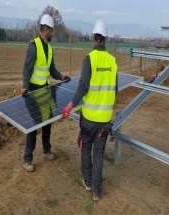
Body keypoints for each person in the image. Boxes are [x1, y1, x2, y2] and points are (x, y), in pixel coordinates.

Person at [61, 19, 118, 201]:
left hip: (88, 119)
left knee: (86, 149)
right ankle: (96, 191)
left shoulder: (89, 59)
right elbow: (114, 90)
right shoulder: (112, 61)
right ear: (106, 39)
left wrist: (70, 106)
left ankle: (87, 182)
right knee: (99, 155)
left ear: (94, 37)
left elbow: (83, 87)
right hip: (104, 120)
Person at [21, 14, 70, 172]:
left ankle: (46, 149)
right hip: (34, 90)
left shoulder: (49, 48)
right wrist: (24, 86)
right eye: (51, 30)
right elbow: (27, 68)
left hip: (46, 90)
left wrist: (61, 76)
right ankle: (27, 159)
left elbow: (51, 69)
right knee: (34, 125)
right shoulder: (33, 46)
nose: (53, 33)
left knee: (48, 120)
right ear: (46, 30)